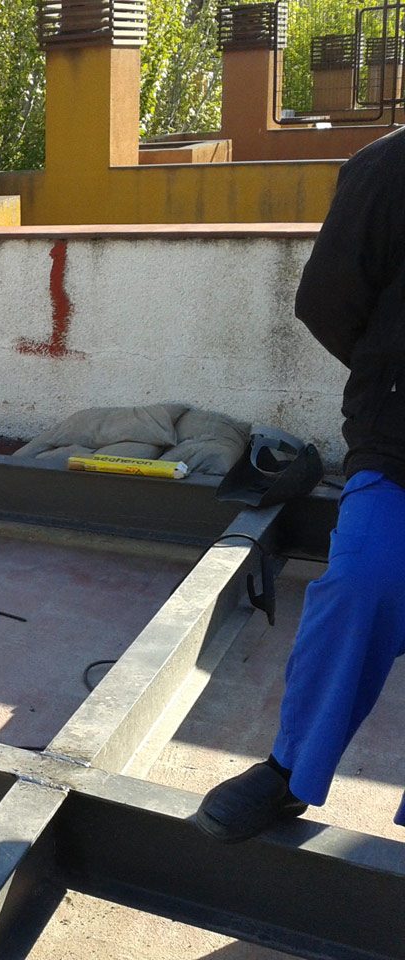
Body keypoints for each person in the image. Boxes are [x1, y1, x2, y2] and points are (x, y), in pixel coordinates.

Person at [195, 126, 405, 843]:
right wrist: (389, 373)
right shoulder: (388, 168)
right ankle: (291, 771)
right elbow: (328, 300)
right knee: (362, 585)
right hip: (400, 445)